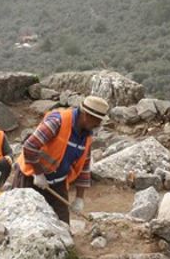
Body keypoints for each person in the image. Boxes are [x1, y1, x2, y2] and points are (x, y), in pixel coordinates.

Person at [12, 95, 109, 223]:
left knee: (63, 226)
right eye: (97, 120)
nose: (98, 124)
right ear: (87, 115)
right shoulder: (58, 122)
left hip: (58, 182)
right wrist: (38, 173)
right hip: (31, 177)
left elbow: (84, 168)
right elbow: (30, 146)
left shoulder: (87, 137)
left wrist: (79, 198)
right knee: (24, 221)